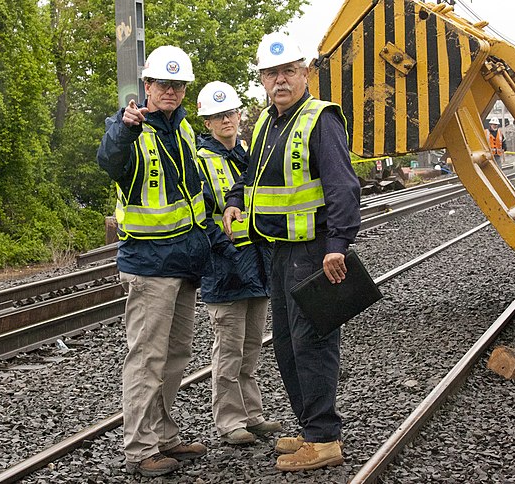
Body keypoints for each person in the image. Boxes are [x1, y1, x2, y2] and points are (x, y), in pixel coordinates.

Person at [222, 32, 361, 472]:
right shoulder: (267, 122)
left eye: (288, 72)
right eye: (271, 73)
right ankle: (309, 427)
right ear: (262, 79)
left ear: (305, 73)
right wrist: (234, 198)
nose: (280, 80)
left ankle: (324, 439)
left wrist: (337, 245)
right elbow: (252, 174)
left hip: (314, 249)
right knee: (285, 343)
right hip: (278, 251)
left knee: (312, 342)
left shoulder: (321, 119)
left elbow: (343, 185)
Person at [96, 45, 210, 478]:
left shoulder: (181, 129)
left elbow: (191, 195)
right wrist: (124, 129)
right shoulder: (128, 127)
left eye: (178, 85)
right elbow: (109, 161)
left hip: (183, 261)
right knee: (146, 359)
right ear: (147, 86)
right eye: (163, 84)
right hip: (148, 263)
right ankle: (140, 448)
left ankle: (163, 435)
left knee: (176, 354)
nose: (171, 91)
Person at [195, 81, 282, 446]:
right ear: (207, 123)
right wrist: (227, 253)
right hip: (224, 267)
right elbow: (200, 215)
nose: (225, 120)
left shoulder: (249, 153)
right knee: (229, 350)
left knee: (251, 347)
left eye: (229, 112)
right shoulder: (199, 160)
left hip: (257, 264)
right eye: (217, 116)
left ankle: (252, 415)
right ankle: (230, 421)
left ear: (239, 115)